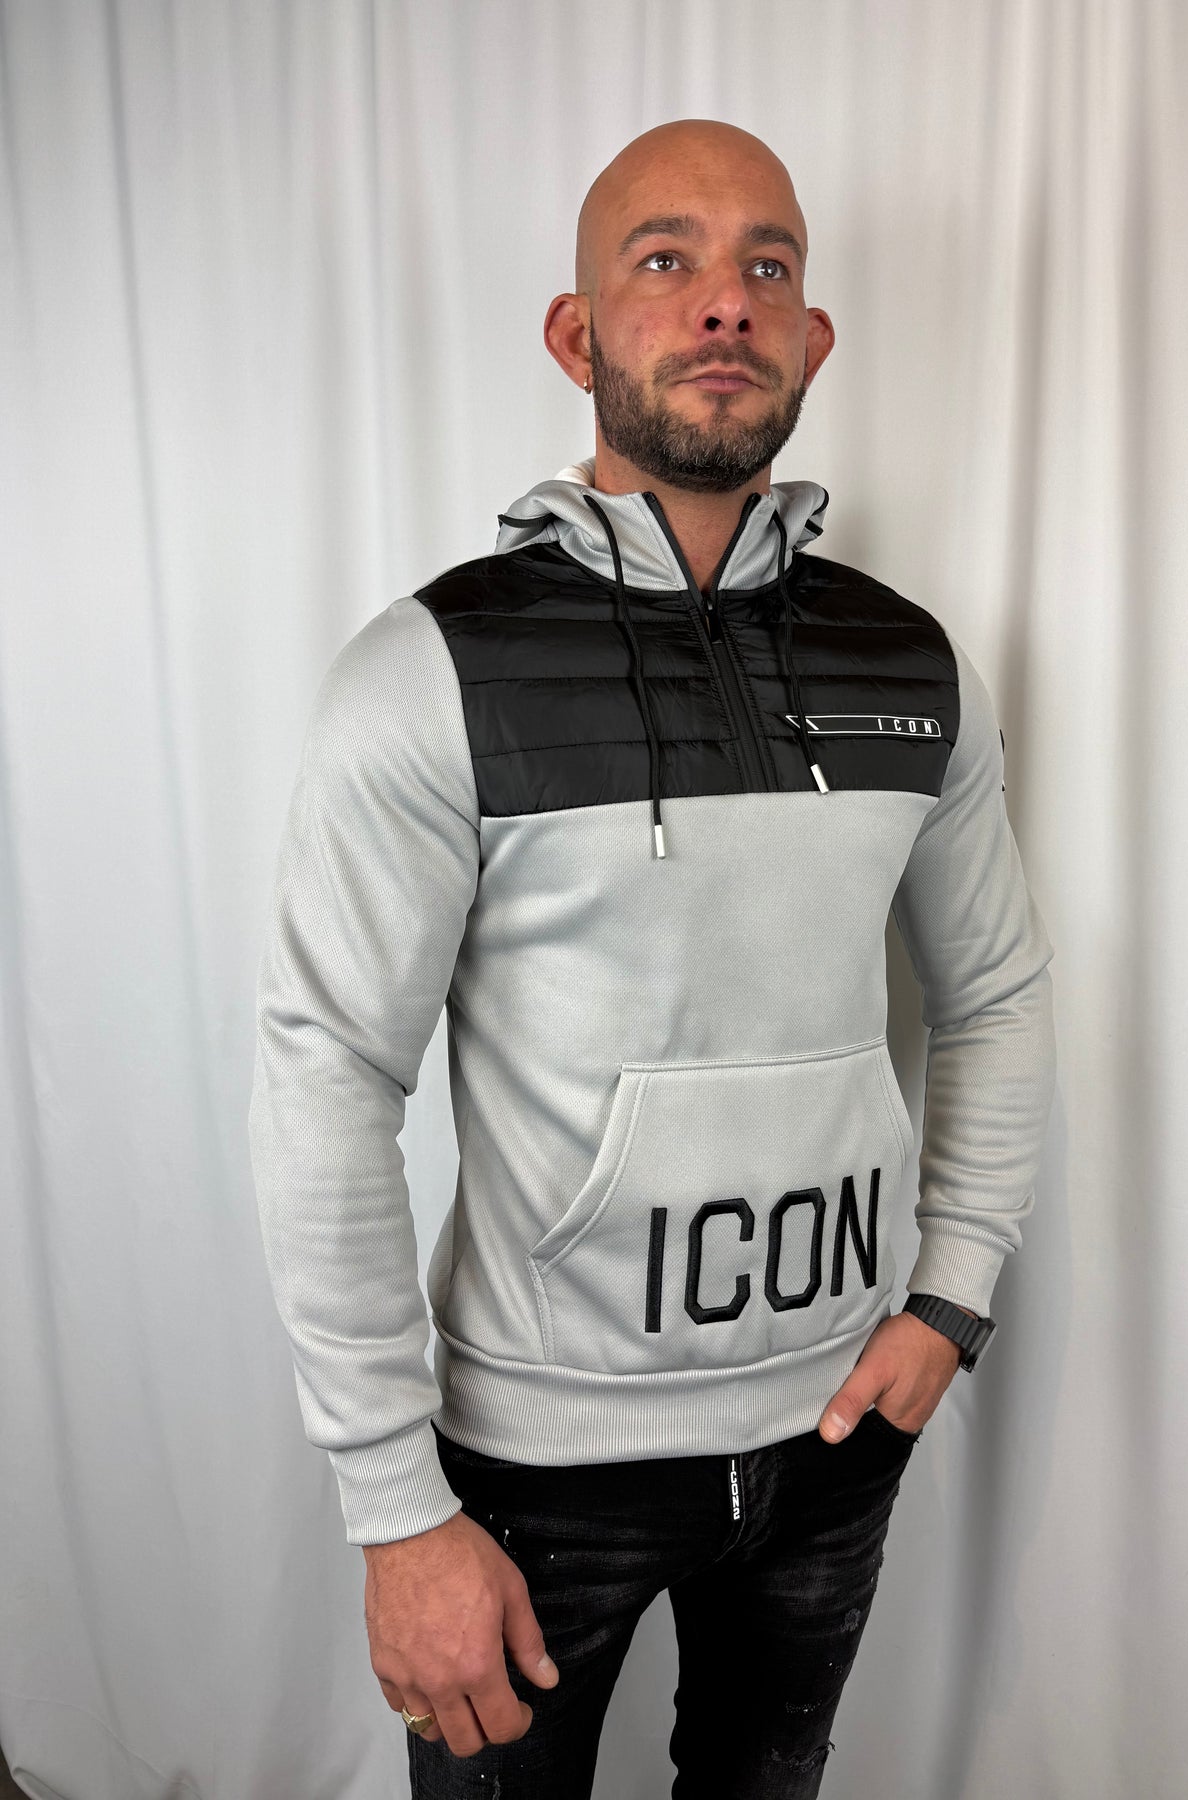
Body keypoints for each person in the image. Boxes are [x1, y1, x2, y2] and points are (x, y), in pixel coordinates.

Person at [248, 118, 1057, 1799]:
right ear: (576, 333)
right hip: (537, 1474)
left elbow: (991, 989)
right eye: (664, 259)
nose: (723, 302)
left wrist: (951, 1295)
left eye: (767, 265)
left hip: (838, 1432)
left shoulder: (909, 662)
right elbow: (325, 1077)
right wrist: (395, 1509)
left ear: (810, 336)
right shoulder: (431, 669)